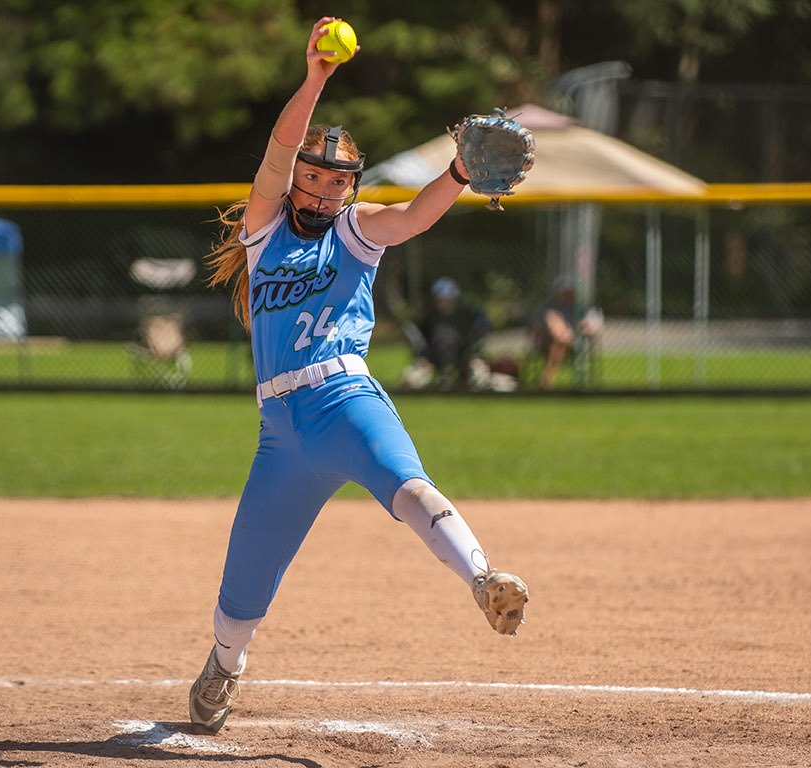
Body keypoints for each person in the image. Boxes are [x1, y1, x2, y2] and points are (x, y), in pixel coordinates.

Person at [191, 17, 529, 734]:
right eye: (311, 180)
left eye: (333, 183)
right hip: (280, 433)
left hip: (344, 399)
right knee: (244, 582)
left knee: (409, 488)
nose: (317, 192)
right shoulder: (264, 227)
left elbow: (413, 217)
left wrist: (460, 174)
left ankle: (484, 579)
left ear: (348, 190)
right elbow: (280, 151)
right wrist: (315, 79)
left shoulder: (356, 232)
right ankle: (225, 663)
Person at [402, 276, 493, 390]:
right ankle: (443, 379)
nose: (444, 304)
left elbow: (483, 327)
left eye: (447, 299)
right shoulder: (429, 317)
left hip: (465, 357)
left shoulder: (467, 315)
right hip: (432, 359)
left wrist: (472, 353)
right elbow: (415, 333)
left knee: (480, 381)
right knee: (411, 381)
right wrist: (423, 355)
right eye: (440, 300)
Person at [533, 276, 601, 390]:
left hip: (577, 343)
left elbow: (594, 328)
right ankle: (547, 378)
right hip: (549, 342)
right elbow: (537, 327)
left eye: (569, 291)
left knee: (558, 342)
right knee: (556, 330)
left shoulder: (583, 308)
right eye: (564, 291)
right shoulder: (549, 308)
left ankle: (547, 378)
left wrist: (580, 327)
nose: (567, 294)